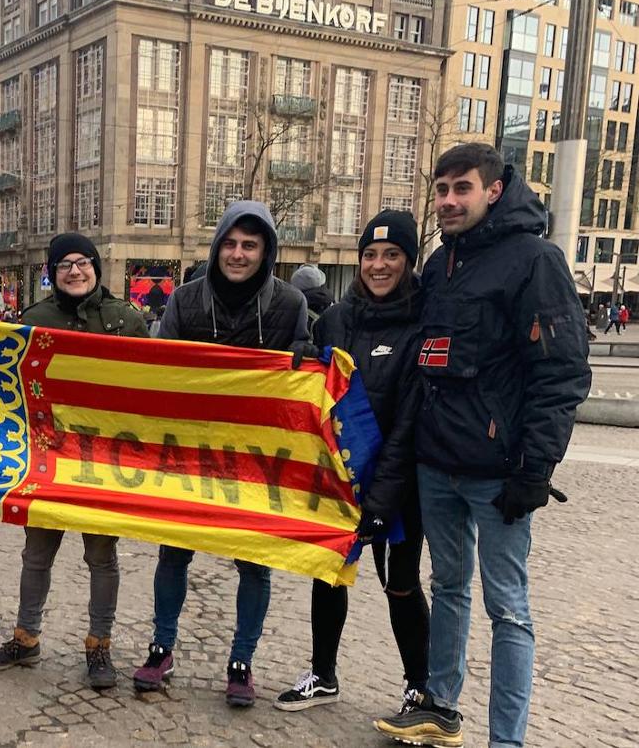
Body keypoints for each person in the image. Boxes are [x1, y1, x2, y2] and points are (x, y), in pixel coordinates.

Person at [374, 143, 590, 747]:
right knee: (447, 587)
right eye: (440, 190)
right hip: (437, 464)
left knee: (509, 609)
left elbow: (563, 371)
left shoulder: (534, 260)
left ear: (492, 191)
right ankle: (440, 706)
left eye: (460, 189)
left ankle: (507, 739)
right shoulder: (442, 263)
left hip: (500, 473)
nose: (447, 201)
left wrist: (535, 467)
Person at [132, 201, 311, 704]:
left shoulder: (290, 305)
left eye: (249, 245)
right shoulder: (185, 302)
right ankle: (161, 647)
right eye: (230, 243)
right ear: (217, 248)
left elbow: (304, 382)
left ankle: (241, 661)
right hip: (188, 450)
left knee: (254, 562)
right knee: (174, 552)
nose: (238, 254)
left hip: (256, 456)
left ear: (265, 251)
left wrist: (311, 355)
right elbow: (158, 372)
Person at [0, 233, 148, 689]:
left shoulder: (126, 319)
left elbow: (150, 385)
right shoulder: (33, 320)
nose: (75, 270)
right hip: (48, 458)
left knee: (101, 556)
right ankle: (26, 637)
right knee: (37, 555)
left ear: (95, 267)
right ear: (52, 273)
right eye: (64, 264)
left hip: (104, 462)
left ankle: (99, 646)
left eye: (83, 262)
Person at [274, 211, 429, 715]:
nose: (378, 265)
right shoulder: (339, 318)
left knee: (400, 583)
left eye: (391, 255)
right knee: (328, 573)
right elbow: (315, 375)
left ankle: (418, 686)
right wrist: (300, 353)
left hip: (400, 485)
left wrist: (383, 500)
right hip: (339, 480)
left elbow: (409, 424)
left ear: (408, 261)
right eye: (370, 255)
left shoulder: (423, 322)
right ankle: (323, 674)